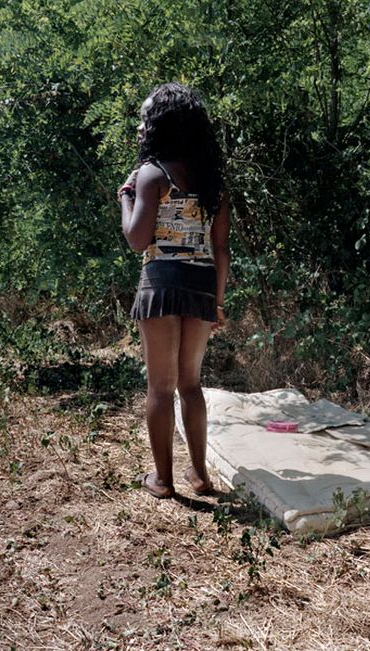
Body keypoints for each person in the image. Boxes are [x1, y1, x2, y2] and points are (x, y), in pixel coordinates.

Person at [118, 82, 230, 499]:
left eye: (145, 118)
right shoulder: (212, 182)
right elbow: (221, 248)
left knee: (160, 387)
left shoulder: (151, 175)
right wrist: (217, 303)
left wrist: (125, 199)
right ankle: (200, 476)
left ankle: (163, 480)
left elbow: (136, 239)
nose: (141, 127)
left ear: (161, 125)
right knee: (191, 385)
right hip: (201, 288)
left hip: (162, 285)